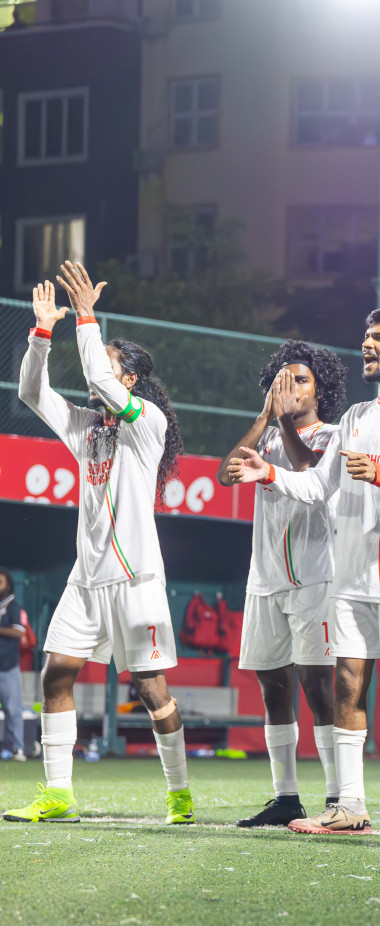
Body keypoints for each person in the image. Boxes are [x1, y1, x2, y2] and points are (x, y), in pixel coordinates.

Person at [231, 307, 380, 837]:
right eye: (365, 336)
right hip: (350, 576)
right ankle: (349, 806)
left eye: (378, 338)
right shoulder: (355, 417)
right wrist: (270, 474)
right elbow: (318, 486)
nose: (366, 345)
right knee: (348, 685)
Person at [5, 265, 194, 825]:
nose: (98, 374)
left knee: (152, 689)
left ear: (129, 379)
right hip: (85, 581)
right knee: (55, 674)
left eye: (112, 365)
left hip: (135, 581)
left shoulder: (147, 424)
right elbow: (30, 391)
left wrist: (86, 317)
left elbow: (99, 375)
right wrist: (42, 334)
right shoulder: (88, 426)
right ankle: (58, 793)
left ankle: (179, 793)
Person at [216, 341, 348, 827]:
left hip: (316, 578)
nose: (291, 386)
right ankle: (287, 797)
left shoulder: (334, 435)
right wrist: (264, 416)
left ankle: (339, 795)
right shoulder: (268, 435)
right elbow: (225, 473)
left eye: (302, 379)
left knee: (318, 685)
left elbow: (309, 473)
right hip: (265, 579)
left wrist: (286, 420)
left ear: (321, 389)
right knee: (273, 686)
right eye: (283, 378)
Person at [0, 569, 29, 761]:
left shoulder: (11, 605)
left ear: (8, 584)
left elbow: (19, 631)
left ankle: (17, 747)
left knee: (12, 709)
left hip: (7, 667)